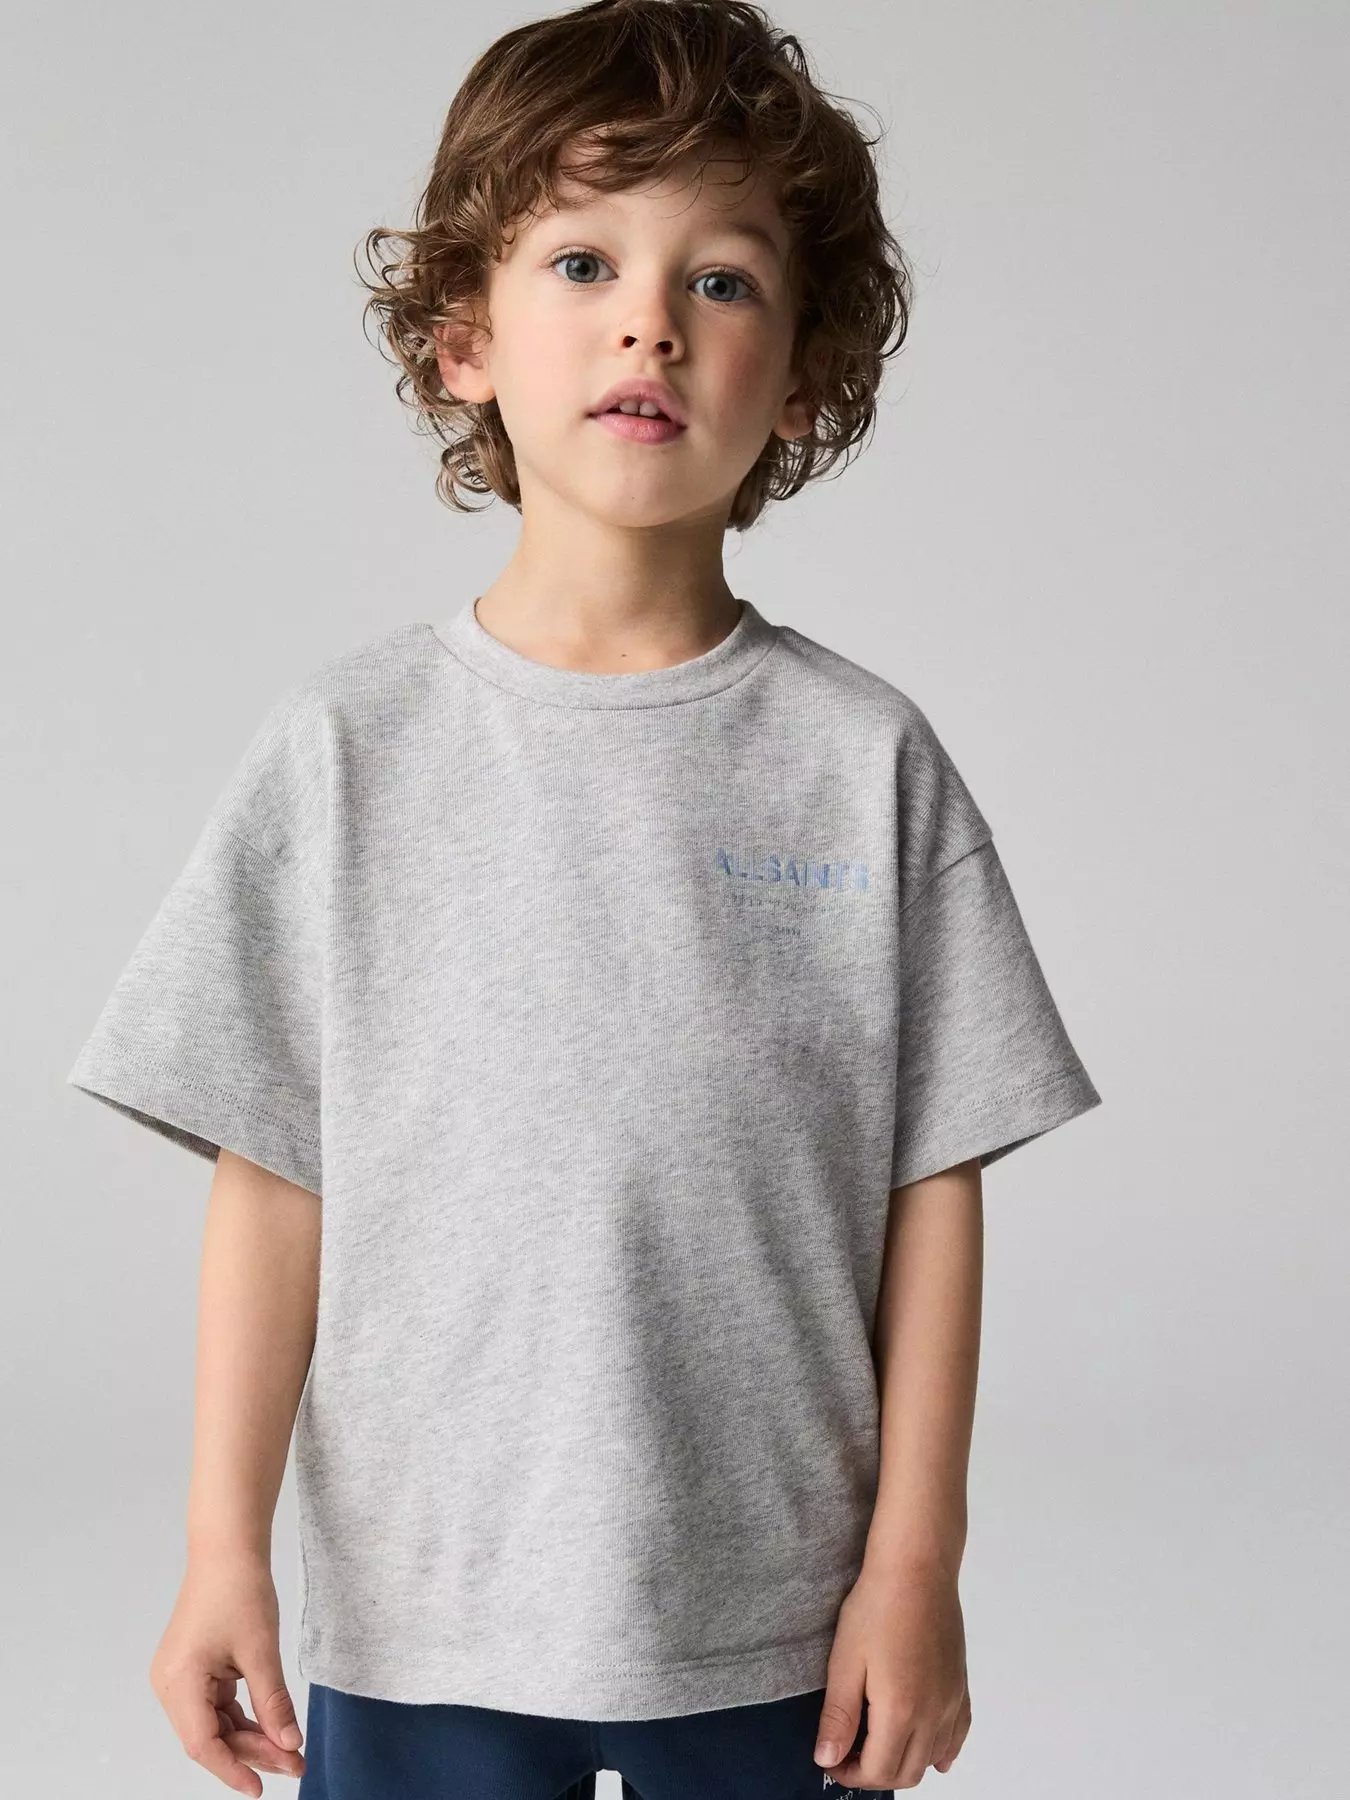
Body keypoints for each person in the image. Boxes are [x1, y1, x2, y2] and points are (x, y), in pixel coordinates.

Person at [65, 3, 1103, 1796]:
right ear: (463, 340)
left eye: (722, 280)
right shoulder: (346, 749)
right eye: (581, 261)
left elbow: (931, 1186)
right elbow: (275, 1174)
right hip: (425, 1605)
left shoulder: (861, 759)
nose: (649, 321)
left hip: (777, 1616)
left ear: (801, 380)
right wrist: (220, 1546)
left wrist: (914, 1568)